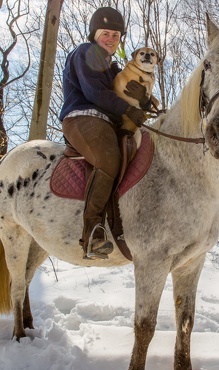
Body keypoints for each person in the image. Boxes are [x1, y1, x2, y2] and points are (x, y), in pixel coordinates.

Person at [59, 7, 151, 260]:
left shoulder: (114, 68)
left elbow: (123, 95)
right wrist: (126, 109)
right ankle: (92, 233)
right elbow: (95, 93)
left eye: (116, 35)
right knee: (108, 157)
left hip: (110, 122)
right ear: (94, 34)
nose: (110, 38)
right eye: (106, 33)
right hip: (82, 117)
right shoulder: (85, 52)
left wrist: (142, 101)